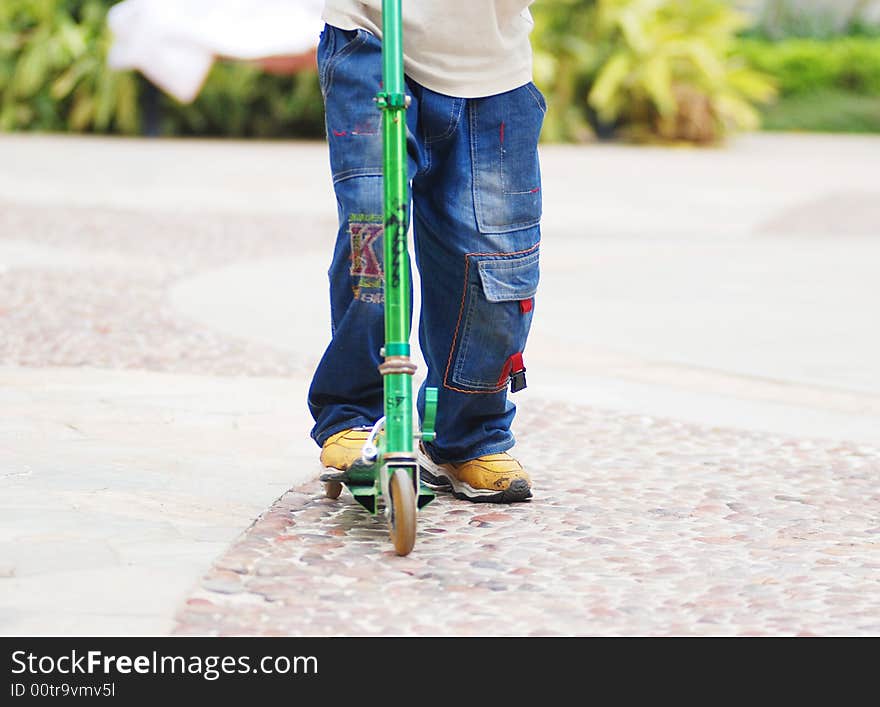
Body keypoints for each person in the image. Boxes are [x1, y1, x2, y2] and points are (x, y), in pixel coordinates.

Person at [309, 1, 545, 504]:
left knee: (497, 268)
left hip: (493, 70)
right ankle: (354, 415)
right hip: (370, 40)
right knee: (374, 232)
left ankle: (465, 433)